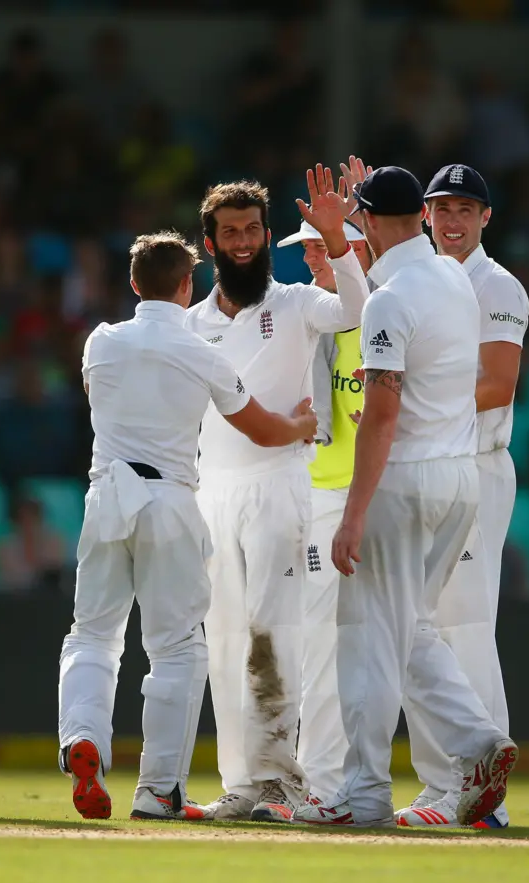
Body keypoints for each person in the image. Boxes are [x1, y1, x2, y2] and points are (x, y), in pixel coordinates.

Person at [57, 231, 317, 822]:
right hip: (170, 499)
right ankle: (158, 790)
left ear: (132, 283)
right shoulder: (203, 353)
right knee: (175, 649)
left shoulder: (100, 342)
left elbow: (104, 395)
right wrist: (301, 426)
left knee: (92, 636)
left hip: (106, 497)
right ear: (187, 285)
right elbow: (261, 430)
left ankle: (83, 738)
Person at [294, 166, 518, 829]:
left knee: (364, 633)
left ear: (366, 221)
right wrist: (348, 230)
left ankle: (360, 794)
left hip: (409, 478)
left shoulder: (393, 299)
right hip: (459, 480)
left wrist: (354, 513)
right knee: (412, 627)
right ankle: (478, 742)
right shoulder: (451, 275)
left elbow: (382, 416)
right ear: (420, 217)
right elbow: (389, 321)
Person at [184, 167, 368, 823]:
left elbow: (355, 308)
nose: (242, 241)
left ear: (265, 236)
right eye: (229, 232)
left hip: (278, 484)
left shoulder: (294, 303)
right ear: (209, 243)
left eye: (252, 230)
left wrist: (336, 240)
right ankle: (241, 781)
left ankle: (280, 782)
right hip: (214, 493)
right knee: (225, 636)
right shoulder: (192, 323)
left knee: (273, 631)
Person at [397, 163, 529, 829]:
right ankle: (439, 783)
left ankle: (484, 799)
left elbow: (498, 383)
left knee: (465, 624)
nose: (451, 220)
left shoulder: (496, 284)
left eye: (464, 209)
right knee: (417, 626)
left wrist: (409, 399)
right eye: (440, 208)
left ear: (485, 218)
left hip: (475, 467)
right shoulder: (421, 279)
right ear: (424, 215)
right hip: (427, 464)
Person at [277, 209, 373, 801]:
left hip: (369, 495)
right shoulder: (303, 314)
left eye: (321, 247)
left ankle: (332, 784)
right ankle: (324, 782)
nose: (310, 257)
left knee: (373, 639)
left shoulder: (382, 315)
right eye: (309, 248)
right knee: (320, 639)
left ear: (357, 252)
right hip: (315, 494)